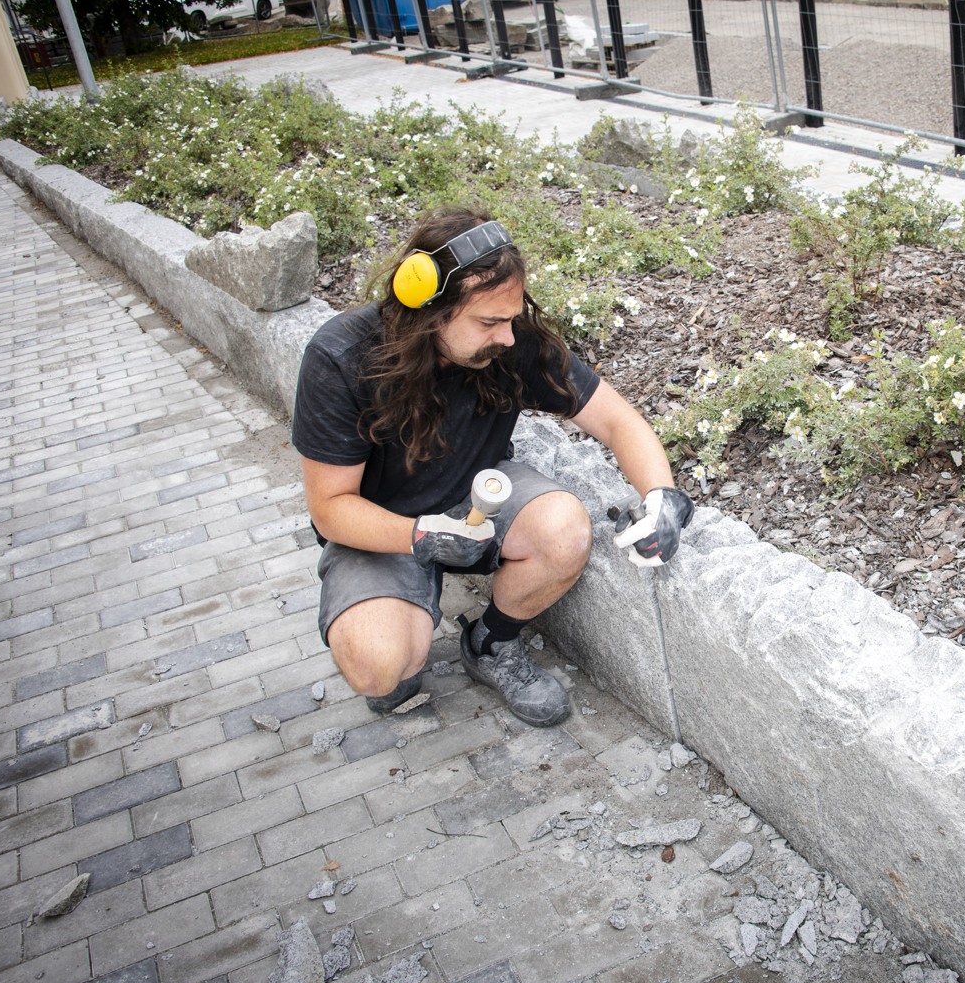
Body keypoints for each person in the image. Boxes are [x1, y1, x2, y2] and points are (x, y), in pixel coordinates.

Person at [291, 206, 693, 727]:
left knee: (565, 530)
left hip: (480, 497)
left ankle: (490, 643)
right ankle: (404, 620)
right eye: (489, 322)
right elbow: (330, 508)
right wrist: (419, 537)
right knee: (379, 671)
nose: (507, 336)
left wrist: (663, 497)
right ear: (431, 311)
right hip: (381, 526)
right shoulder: (341, 357)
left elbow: (618, 420)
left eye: (511, 317)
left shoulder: (511, 343)